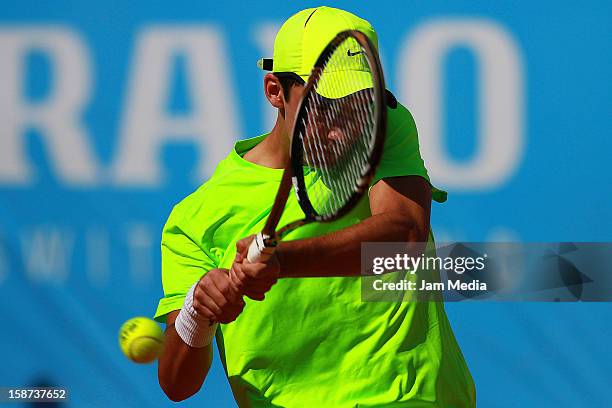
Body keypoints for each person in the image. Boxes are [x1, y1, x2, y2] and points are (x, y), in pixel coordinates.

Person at [155, 6, 475, 407]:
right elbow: (176, 385)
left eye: (362, 105)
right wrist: (198, 313)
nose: (346, 127)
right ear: (275, 91)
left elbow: (405, 235)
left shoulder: (387, 128)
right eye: (324, 105)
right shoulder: (194, 220)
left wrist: (281, 261)